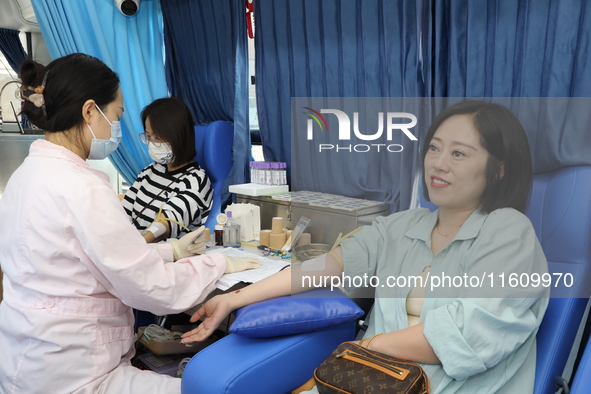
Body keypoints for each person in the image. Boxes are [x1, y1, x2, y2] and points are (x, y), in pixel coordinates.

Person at [181, 101, 549, 393]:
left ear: (499, 169)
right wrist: (235, 298)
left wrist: (366, 348)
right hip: (373, 379)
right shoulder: (405, 225)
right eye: (434, 148)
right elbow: (325, 267)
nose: (438, 163)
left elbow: (464, 338)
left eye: (459, 154)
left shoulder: (509, 232)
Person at [0, 53, 260, 393]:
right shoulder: (83, 187)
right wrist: (217, 262)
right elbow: (150, 285)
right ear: (90, 111)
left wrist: (170, 251)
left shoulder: (27, 175)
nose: (118, 127)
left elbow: (99, 255)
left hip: (26, 356)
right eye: (117, 116)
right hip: (74, 369)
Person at [121, 97, 213, 243]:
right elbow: (122, 213)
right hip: (133, 250)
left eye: (158, 137)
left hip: (163, 257)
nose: (152, 143)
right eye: (149, 136)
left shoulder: (195, 181)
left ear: (178, 136)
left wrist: (134, 246)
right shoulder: (149, 172)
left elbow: (165, 224)